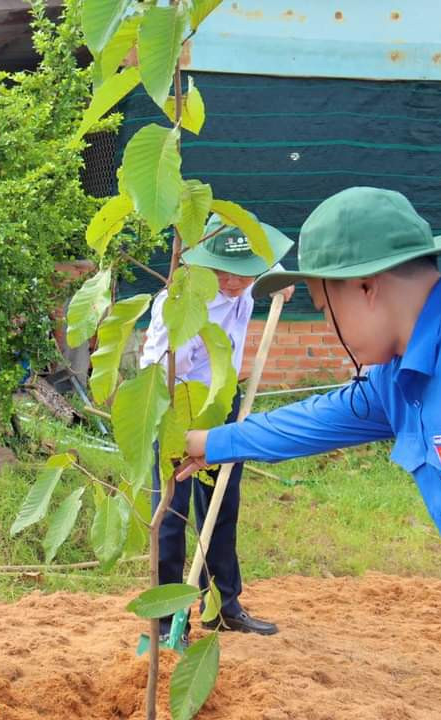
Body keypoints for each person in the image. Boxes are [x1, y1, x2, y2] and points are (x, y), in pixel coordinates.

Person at [182, 187, 441, 567]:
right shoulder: (395, 378)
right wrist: (210, 441)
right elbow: (313, 421)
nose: (329, 325)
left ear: (366, 286)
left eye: (324, 309)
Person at [141, 214, 294, 644]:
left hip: (224, 406)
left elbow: (271, 264)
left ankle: (224, 608)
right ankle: (165, 623)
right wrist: (177, 427)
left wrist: (280, 281)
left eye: (243, 273)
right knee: (171, 515)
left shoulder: (247, 276)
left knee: (222, 505)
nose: (233, 282)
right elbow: (158, 372)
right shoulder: (179, 303)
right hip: (177, 408)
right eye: (224, 271)